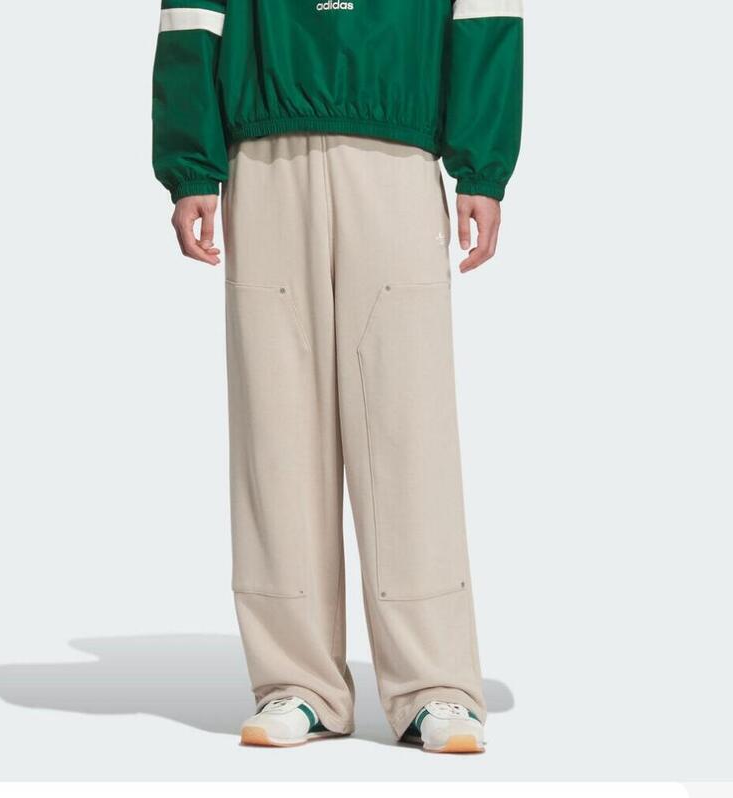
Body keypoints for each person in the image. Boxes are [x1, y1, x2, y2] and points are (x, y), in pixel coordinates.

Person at [152, 0, 523, 753]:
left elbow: (485, 7)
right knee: (276, 424)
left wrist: (483, 164)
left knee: (408, 423)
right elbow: (190, 11)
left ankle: (436, 685)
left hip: (397, 149)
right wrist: (190, 161)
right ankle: (297, 682)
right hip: (264, 152)